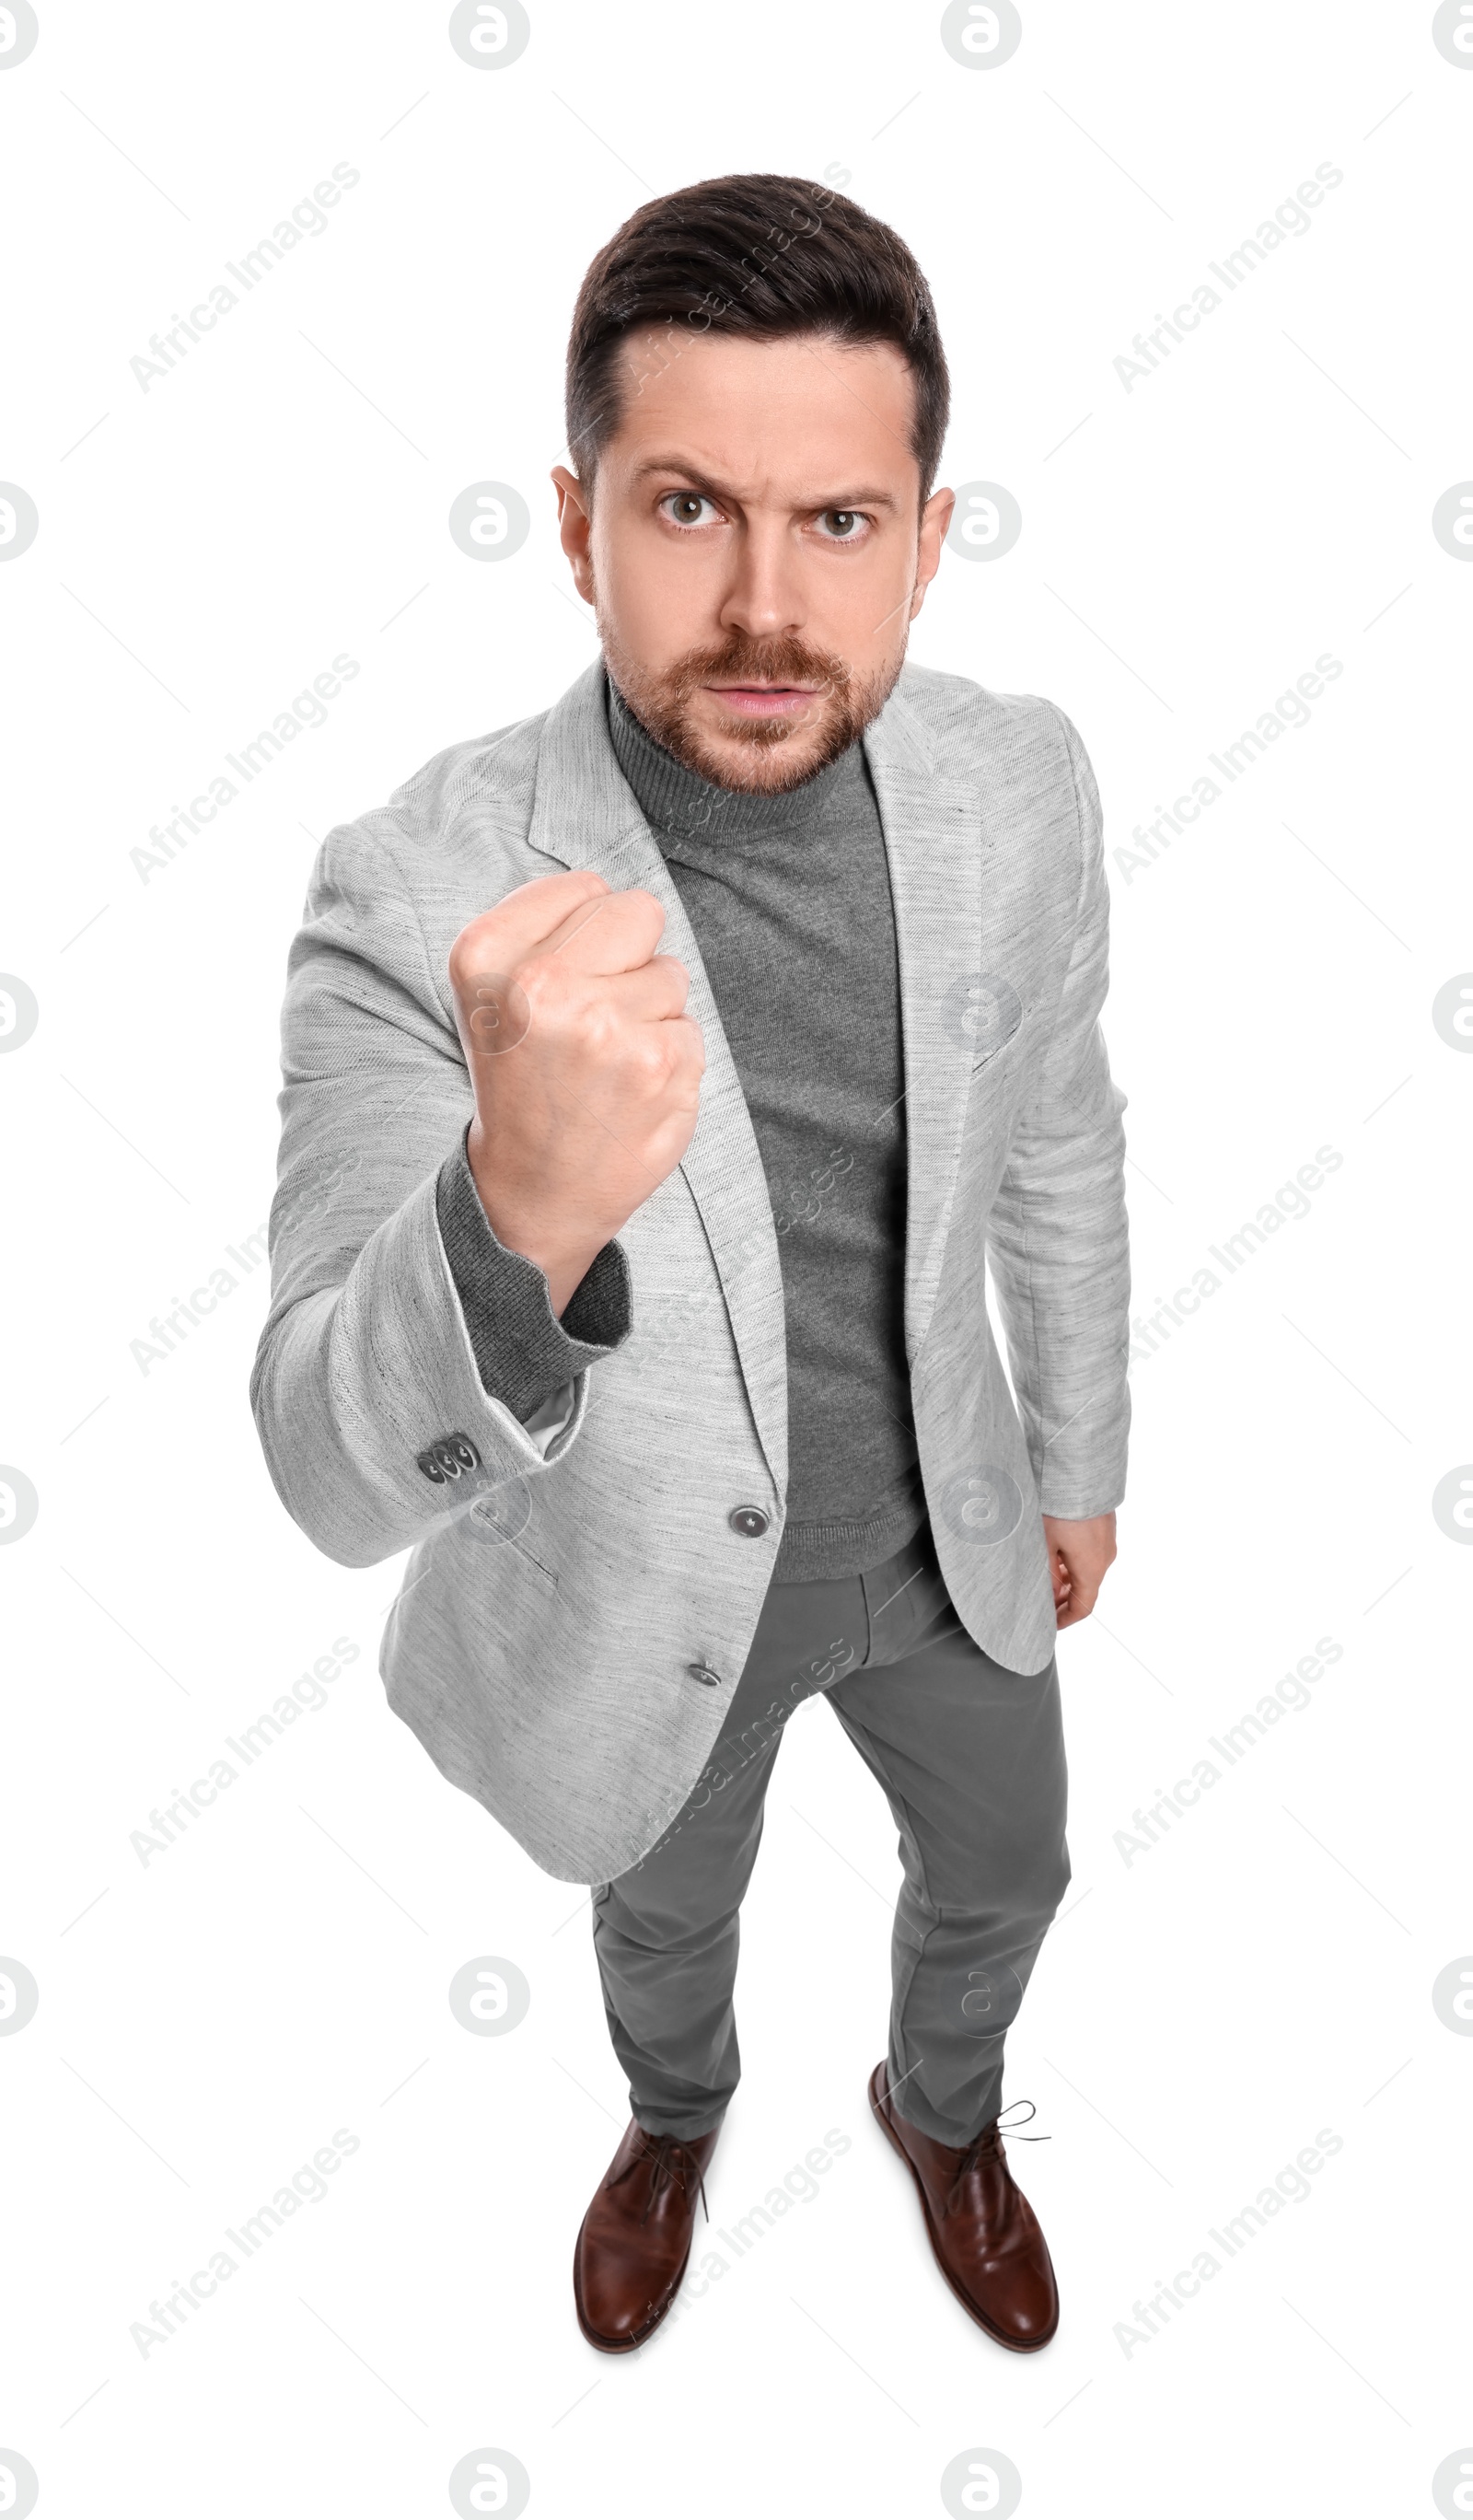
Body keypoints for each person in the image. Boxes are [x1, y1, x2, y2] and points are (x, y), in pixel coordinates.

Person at [250, 172, 1131, 2359]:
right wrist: (510, 1212)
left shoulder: (1018, 786)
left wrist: (1080, 1452)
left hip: (943, 1533)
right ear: (575, 527)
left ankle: (941, 2114)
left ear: (927, 536)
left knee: (1008, 1871)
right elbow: (320, 1468)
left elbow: (1057, 1133)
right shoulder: (414, 887)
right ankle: (673, 2116)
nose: (761, 602)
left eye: (837, 522)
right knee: (666, 1915)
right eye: (684, 509)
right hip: (637, 1602)